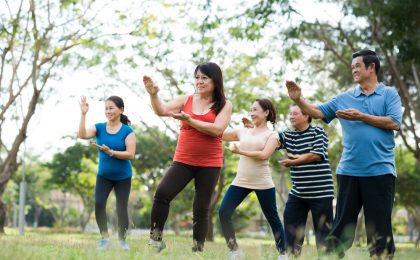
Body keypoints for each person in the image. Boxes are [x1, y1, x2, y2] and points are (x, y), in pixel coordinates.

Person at [285, 49, 402, 259]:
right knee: (341, 226)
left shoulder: (389, 94)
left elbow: (394, 123)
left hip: (380, 172)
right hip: (349, 171)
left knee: (379, 227)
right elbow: (319, 112)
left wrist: (361, 117)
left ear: (371, 67)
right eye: (352, 67)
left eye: (357, 66)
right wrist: (299, 99)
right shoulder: (345, 98)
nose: (354, 70)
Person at [142, 62, 232, 252]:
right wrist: (153, 94)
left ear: (215, 80)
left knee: (201, 208)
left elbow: (217, 130)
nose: (199, 81)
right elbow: (161, 111)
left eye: (204, 77)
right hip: (183, 160)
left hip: (210, 163)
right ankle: (156, 240)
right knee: (162, 194)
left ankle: (197, 251)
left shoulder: (224, 105)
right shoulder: (187, 99)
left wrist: (190, 120)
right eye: (197, 77)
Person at [219, 98, 287, 260]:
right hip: (241, 181)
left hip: (263, 182)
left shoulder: (272, 135)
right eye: (251, 110)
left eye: (255, 110)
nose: (251, 113)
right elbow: (218, 133)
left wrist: (240, 151)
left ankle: (283, 253)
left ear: (266, 113)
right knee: (223, 212)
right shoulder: (243, 131)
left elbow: (264, 155)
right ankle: (234, 250)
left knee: (273, 218)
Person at [78, 95, 136, 251]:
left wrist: (111, 152)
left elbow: (131, 154)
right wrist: (83, 114)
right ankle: (104, 238)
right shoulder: (99, 127)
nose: (108, 111)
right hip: (104, 176)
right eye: (106, 108)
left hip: (123, 176)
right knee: (98, 203)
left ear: (121, 110)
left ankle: (123, 241)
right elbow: (82, 135)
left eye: (111, 108)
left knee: (121, 207)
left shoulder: (128, 131)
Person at [278, 104, 334, 257]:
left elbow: (315, 155)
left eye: (295, 113)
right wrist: (255, 130)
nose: (291, 116)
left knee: (324, 231)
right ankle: (291, 255)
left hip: (321, 192)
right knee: (291, 224)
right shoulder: (288, 136)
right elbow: (272, 139)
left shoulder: (318, 132)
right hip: (298, 193)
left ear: (306, 116)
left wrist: (292, 162)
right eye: (290, 113)